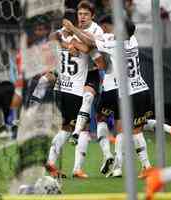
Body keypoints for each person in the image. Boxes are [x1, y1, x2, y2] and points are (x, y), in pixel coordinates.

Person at [63, 15, 153, 178]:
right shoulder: (132, 41)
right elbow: (96, 38)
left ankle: (118, 161)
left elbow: (91, 44)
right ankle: (145, 166)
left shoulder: (114, 45)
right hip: (142, 89)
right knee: (136, 131)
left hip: (126, 92)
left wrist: (73, 31)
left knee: (106, 121)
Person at [45, 5, 105, 178]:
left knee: (72, 126)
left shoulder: (65, 34)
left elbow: (53, 38)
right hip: (75, 88)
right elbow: (99, 61)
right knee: (73, 127)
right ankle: (55, 163)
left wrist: (66, 42)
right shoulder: (75, 37)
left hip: (63, 86)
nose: (82, 17)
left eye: (85, 14)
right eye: (79, 14)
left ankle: (72, 167)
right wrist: (74, 44)